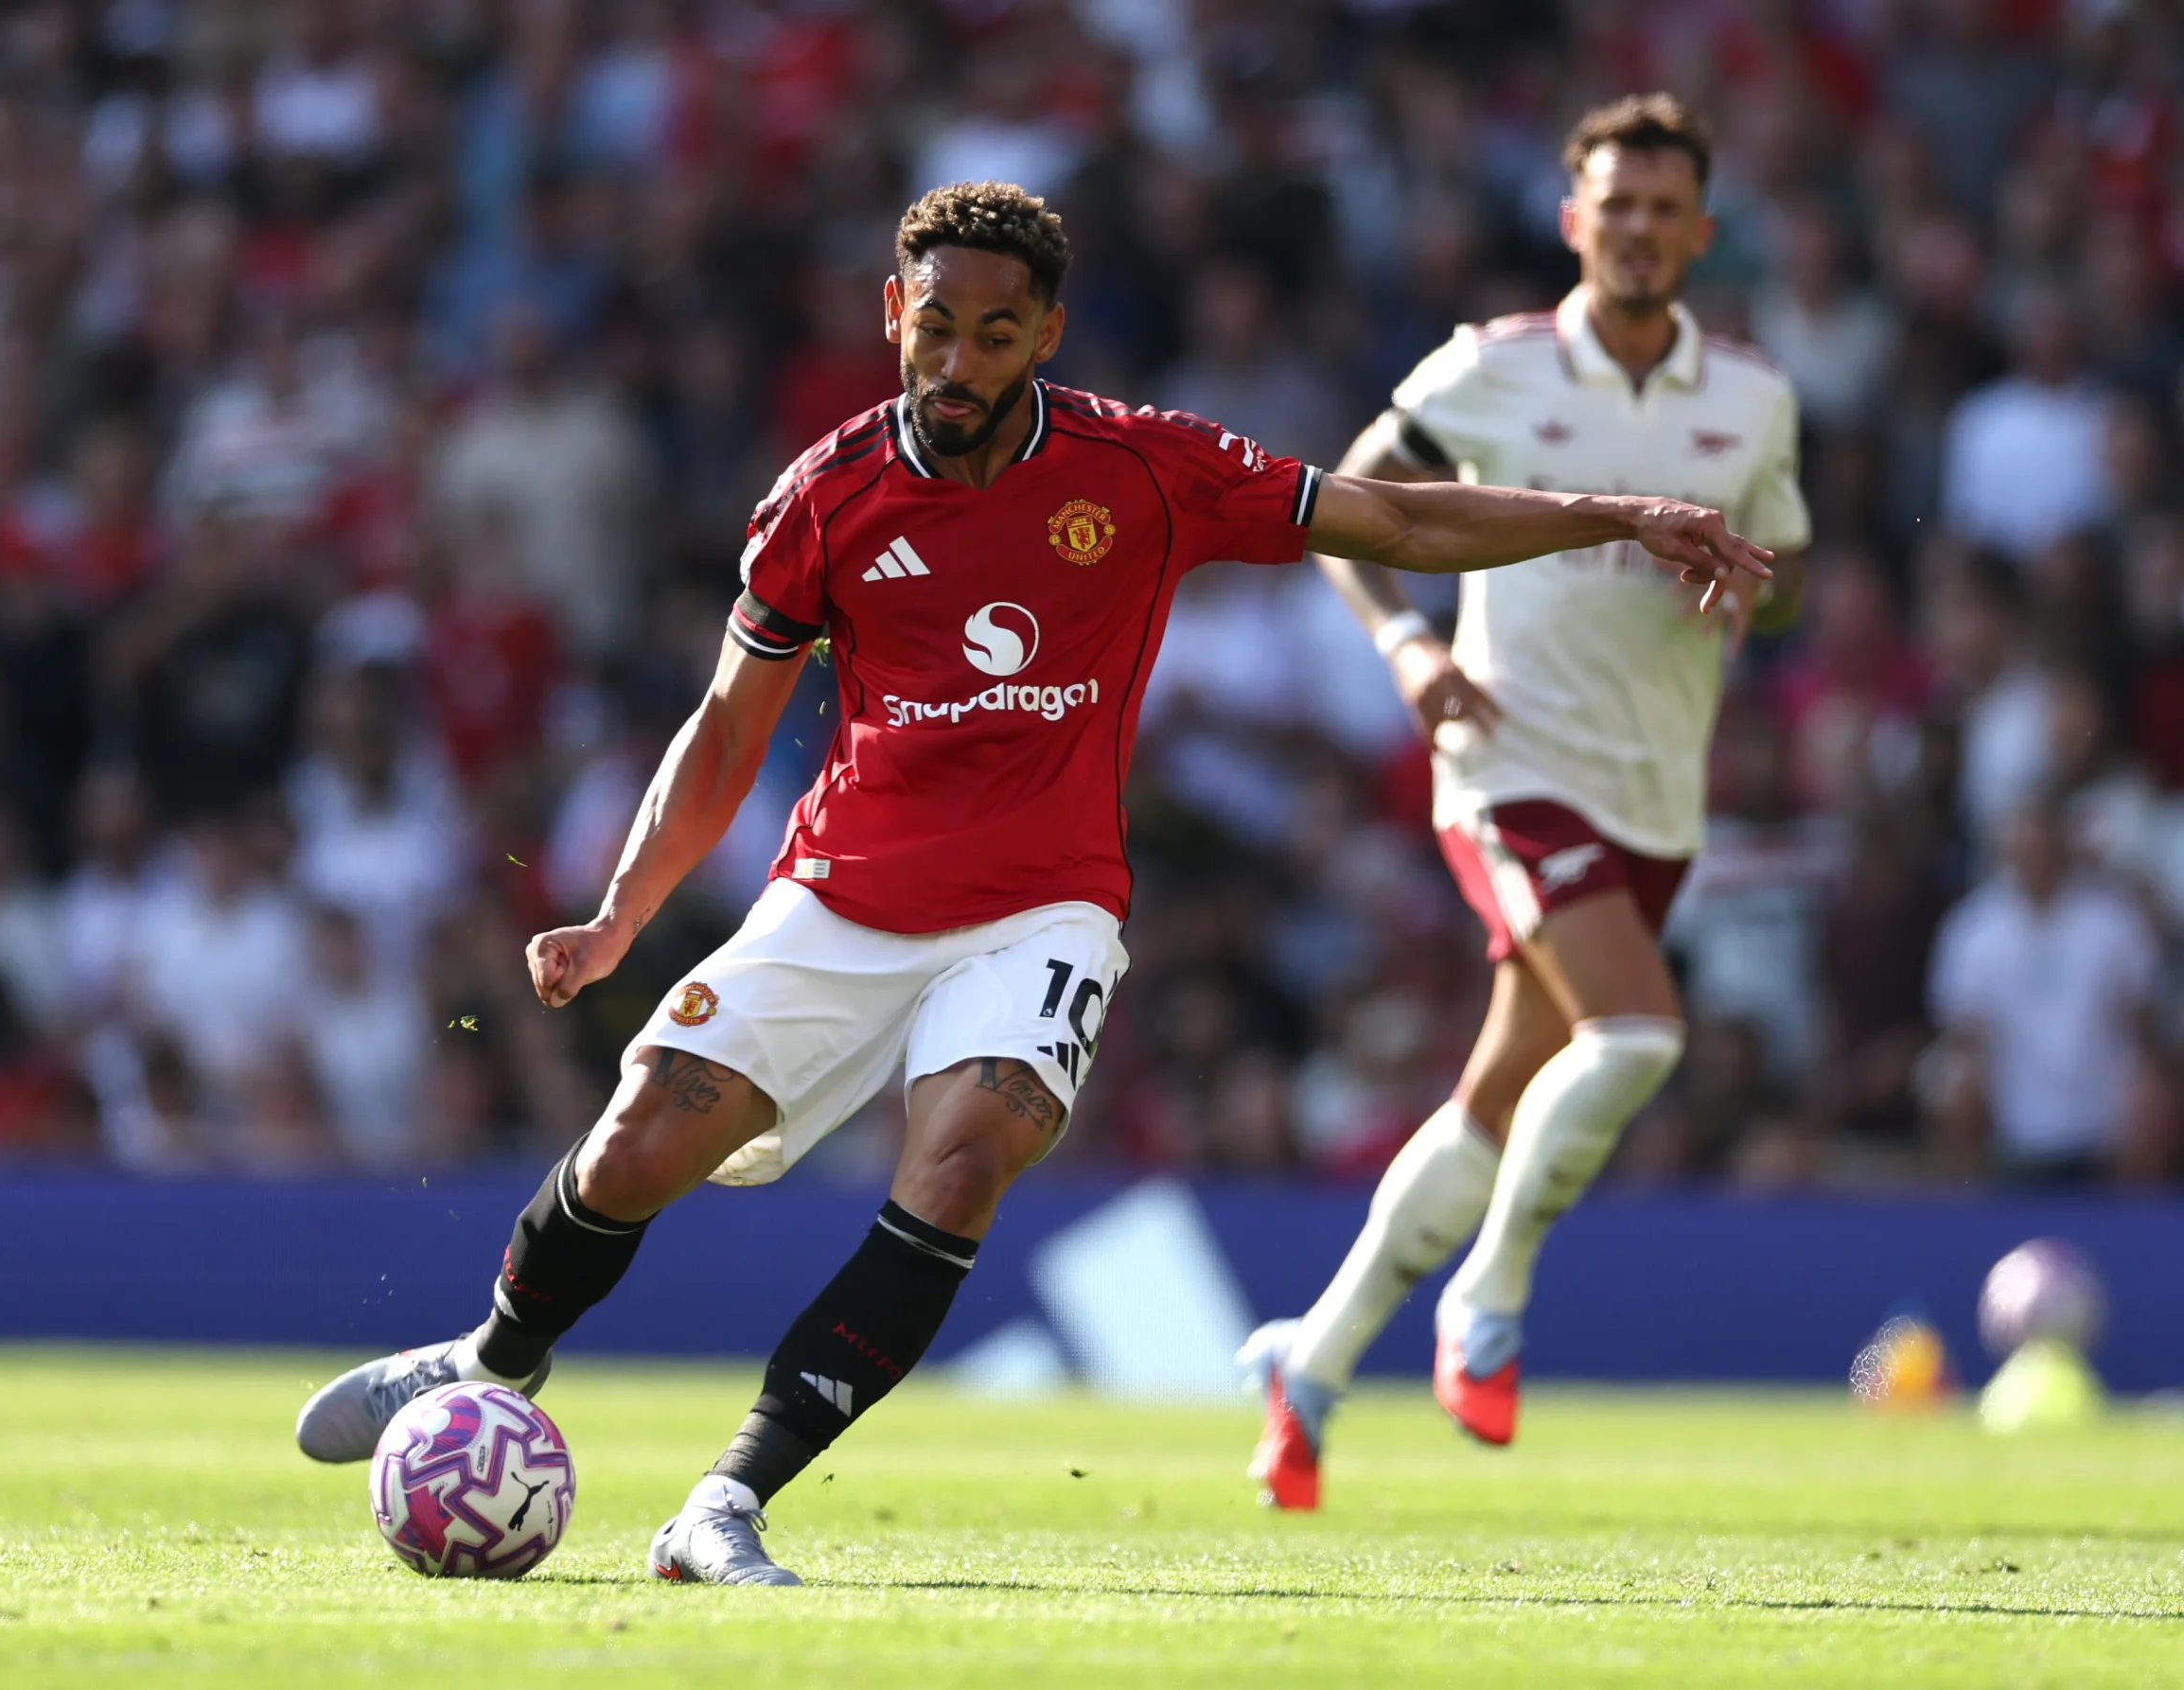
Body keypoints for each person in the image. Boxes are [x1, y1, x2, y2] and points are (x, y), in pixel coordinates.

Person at [293, 179, 1770, 1585]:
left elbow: (1394, 519)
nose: (959, 357)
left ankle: (723, 1500)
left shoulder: (1143, 466)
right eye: (937, 325)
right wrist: (624, 907)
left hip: (1043, 901)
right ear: (895, 313)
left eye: (996, 332)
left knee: (963, 1153)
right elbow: (730, 722)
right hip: (844, 890)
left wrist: (1620, 514)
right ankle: (488, 1361)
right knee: (631, 1149)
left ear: (1046, 335)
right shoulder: (827, 496)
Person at [1239, 95, 1811, 1506]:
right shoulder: (1489, 371)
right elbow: (1344, 508)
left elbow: (1780, 571)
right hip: (1509, 758)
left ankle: (1309, 1362)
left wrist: (1750, 594)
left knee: (1498, 1099)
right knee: (1635, 1036)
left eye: (1665, 209)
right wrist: (1411, 643)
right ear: (1574, 220)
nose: (1638, 229)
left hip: (1655, 792)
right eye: (1615, 204)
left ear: (1701, 233)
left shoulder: (1754, 399)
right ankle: (1485, 1300)